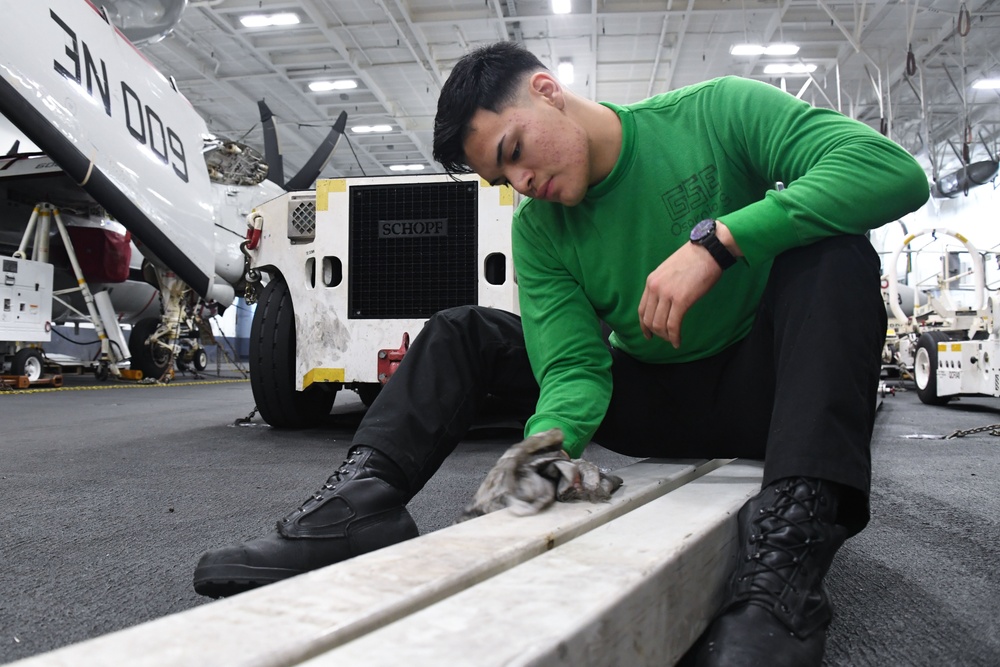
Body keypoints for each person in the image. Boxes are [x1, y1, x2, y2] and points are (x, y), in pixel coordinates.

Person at [194, 42, 929, 666]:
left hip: (770, 395)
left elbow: (893, 173)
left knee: (835, 253)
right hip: (653, 402)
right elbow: (576, 364)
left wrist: (720, 242)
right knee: (459, 329)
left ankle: (783, 579)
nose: (521, 183)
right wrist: (548, 446)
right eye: (500, 178)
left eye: (514, 152)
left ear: (548, 93)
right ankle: (363, 503)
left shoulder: (716, 112)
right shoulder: (541, 226)